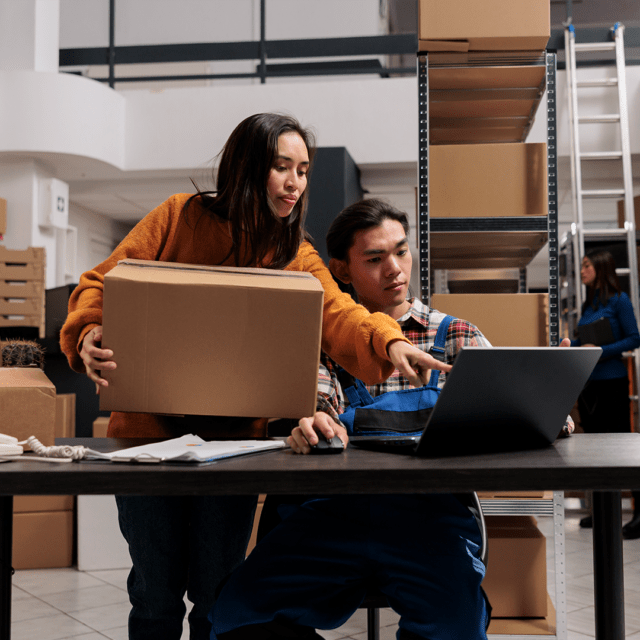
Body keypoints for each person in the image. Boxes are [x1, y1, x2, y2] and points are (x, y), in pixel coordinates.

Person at [60, 114, 450, 640]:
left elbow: (340, 315)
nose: (296, 183)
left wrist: (391, 340)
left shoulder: (296, 255)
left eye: (304, 170)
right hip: (147, 441)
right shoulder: (179, 216)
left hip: (231, 449)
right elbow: (101, 283)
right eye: (282, 167)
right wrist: (86, 334)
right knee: (153, 592)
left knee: (217, 592)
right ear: (247, 167)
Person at [209, 198, 494, 640]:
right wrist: (311, 422)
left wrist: (544, 406)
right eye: (375, 259)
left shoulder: (456, 336)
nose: (395, 268)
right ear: (342, 271)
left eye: (401, 251)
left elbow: (503, 408)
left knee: (455, 627)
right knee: (237, 615)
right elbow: (317, 401)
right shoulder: (324, 346)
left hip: (430, 519)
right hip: (332, 515)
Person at [571, 249, 640, 538]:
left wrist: (599, 352)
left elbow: (635, 337)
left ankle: (639, 514)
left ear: (600, 267)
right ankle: (602, 511)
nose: (582, 270)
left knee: (621, 451)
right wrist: (569, 346)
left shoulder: (619, 301)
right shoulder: (588, 307)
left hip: (612, 383)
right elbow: (582, 341)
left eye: (586, 266)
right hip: (590, 386)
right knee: (595, 454)